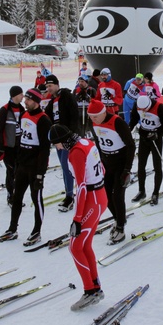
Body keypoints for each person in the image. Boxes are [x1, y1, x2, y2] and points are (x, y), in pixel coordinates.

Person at [49, 124, 107, 312]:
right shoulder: (86, 142)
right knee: (85, 245)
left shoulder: (75, 153)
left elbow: (81, 187)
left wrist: (77, 218)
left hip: (92, 199)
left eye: (55, 144)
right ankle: (95, 288)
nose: (56, 148)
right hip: (99, 196)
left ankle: (90, 291)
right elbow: (102, 169)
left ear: (62, 141)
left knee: (75, 247)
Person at [0, 89, 50, 246]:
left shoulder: (43, 120)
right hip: (23, 165)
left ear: (36, 101)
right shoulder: (25, 116)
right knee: (16, 197)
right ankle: (12, 229)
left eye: (28, 99)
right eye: (25, 98)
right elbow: (21, 142)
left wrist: (40, 174)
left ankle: (36, 231)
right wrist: (17, 163)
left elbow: (44, 149)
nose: (25, 102)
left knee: (36, 199)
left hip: (35, 167)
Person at [88, 98, 135, 244]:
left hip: (121, 162)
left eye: (96, 116)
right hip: (107, 163)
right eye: (91, 116)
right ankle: (119, 219)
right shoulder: (94, 122)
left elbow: (131, 146)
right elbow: (98, 141)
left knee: (117, 195)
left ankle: (120, 227)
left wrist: (127, 169)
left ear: (103, 113)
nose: (94, 119)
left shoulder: (117, 122)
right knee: (105, 197)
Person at [43, 75, 80, 212]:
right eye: (47, 86)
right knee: (64, 167)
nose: (48, 89)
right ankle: (68, 194)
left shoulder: (66, 96)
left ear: (57, 85)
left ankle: (70, 197)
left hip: (67, 138)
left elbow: (74, 116)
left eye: (50, 86)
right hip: (58, 139)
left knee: (66, 166)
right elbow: (47, 118)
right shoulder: (52, 101)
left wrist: (70, 136)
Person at [128, 94, 163, 205]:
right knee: (141, 165)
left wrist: (157, 134)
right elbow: (134, 118)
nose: (143, 111)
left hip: (155, 138)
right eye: (141, 109)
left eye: (145, 109)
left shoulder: (160, 107)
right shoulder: (137, 104)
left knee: (157, 165)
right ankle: (141, 191)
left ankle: (155, 193)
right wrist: (129, 129)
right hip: (144, 136)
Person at [0, 86, 24, 206]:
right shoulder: (4, 110)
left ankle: (16, 196)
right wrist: (1, 147)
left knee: (19, 172)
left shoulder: (22, 109)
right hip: (8, 147)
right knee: (11, 171)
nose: (22, 97)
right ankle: (11, 197)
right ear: (14, 95)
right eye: (20, 94)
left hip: (20, 145)